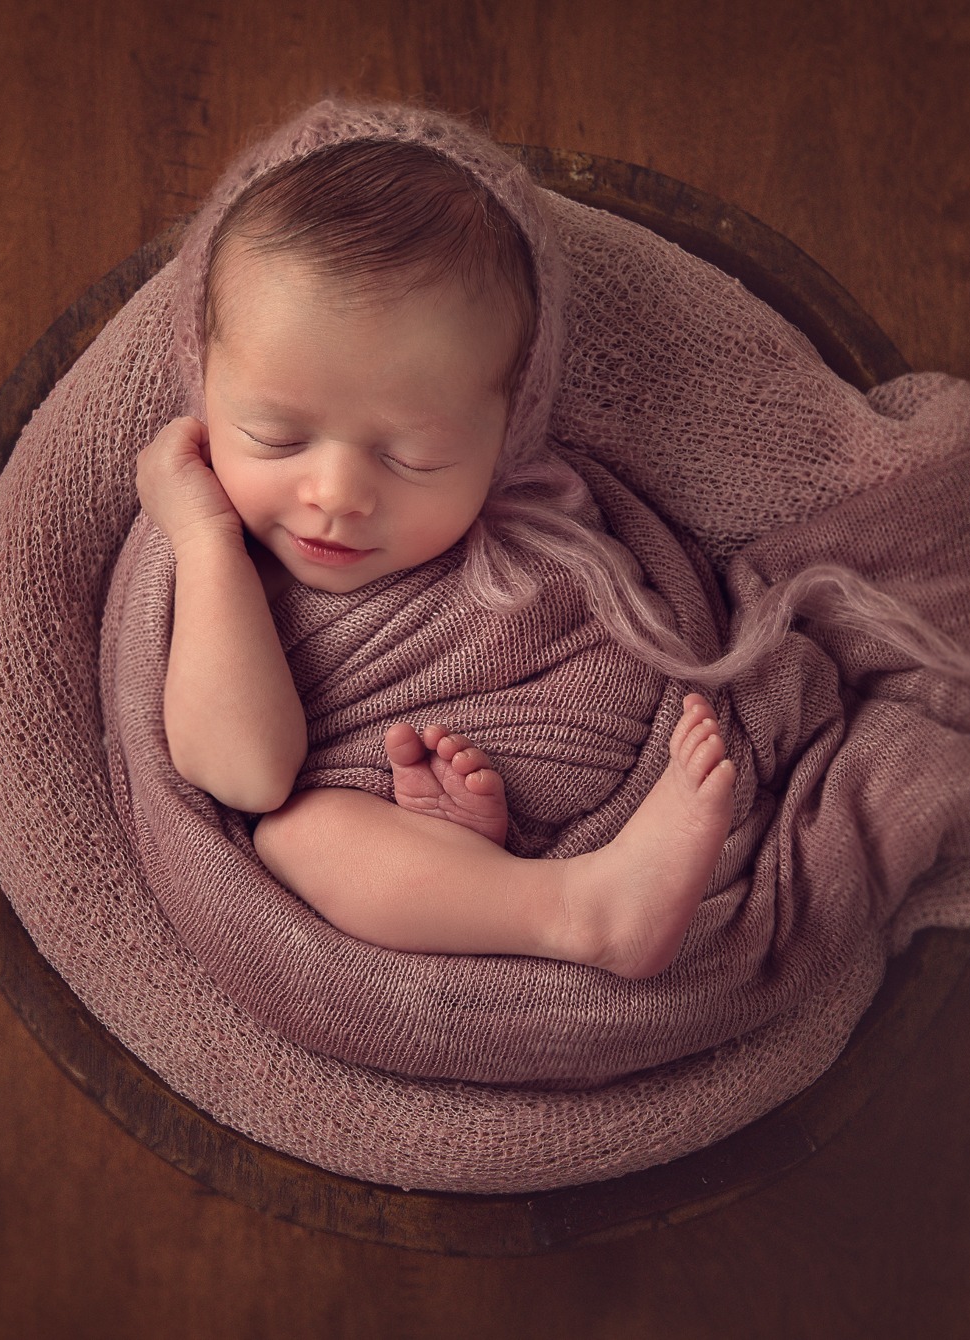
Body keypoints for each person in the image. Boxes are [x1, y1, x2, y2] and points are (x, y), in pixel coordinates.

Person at [134, 138, 738, 980]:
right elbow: (244, 775)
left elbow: (599, 673)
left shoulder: (548, 538)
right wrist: (202, 539)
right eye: (276, 438)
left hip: (594, 784)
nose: (338, 493)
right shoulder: (199, 542)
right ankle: (576, 912)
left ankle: (515, 880)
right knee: (298, 832)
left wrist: (466, 826)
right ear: (206, 390)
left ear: (507, 433)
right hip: (393, 836)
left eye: (415, 458)